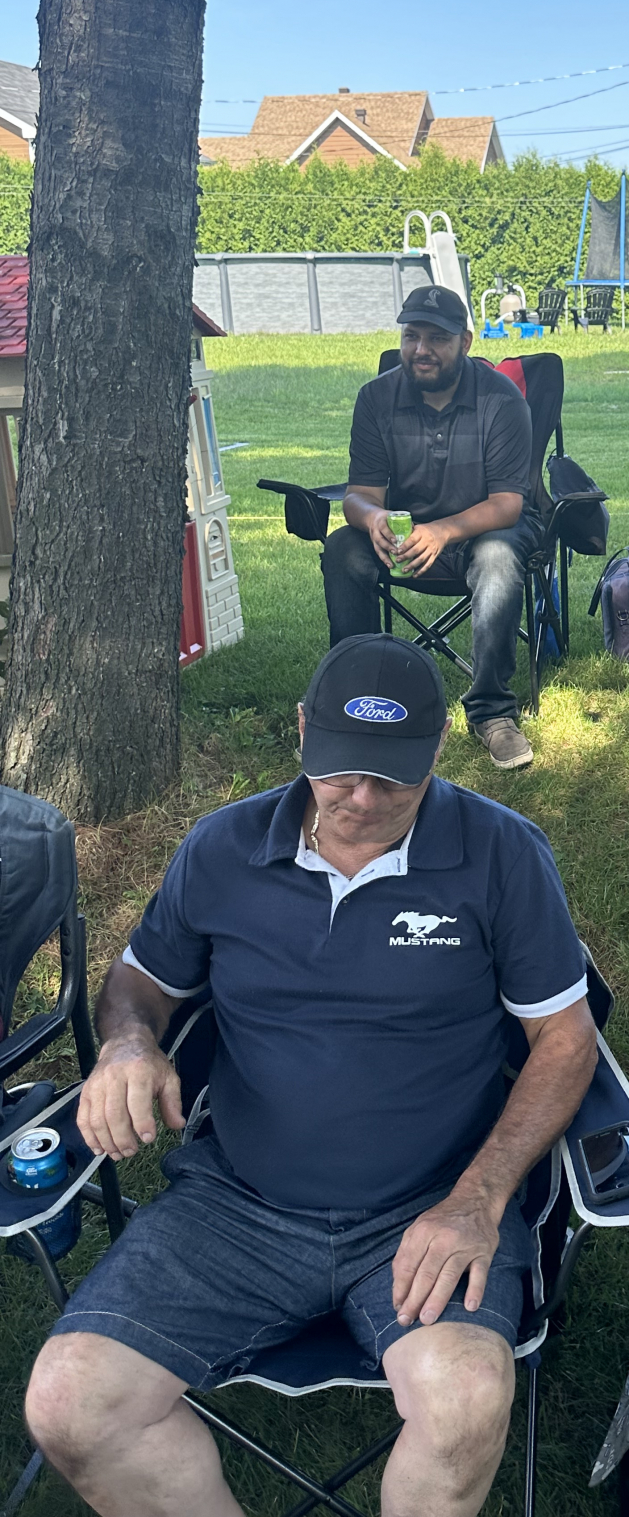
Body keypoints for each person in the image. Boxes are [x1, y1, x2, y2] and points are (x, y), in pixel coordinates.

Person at [24, 634, 597, 1517]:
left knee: (465, 1402)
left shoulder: (502, 855)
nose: (362, 799)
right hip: (237, 1206)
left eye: (393, 778)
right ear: (300, 732)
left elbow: (565, 1039)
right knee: (70, 1405)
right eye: (340, 770)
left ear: (440, 747)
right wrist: (129, 1043)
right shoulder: (222, 848)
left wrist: (479, 1200)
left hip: (430, 1205)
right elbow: (140, 981)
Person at [322, 282, 539, 770]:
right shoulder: (375, 398)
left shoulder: (502, 400)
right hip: (406, 538)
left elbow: (507, 505)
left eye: (437, 338)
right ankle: (356, 699)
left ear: (465, 342)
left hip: (485, 530)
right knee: (342, 549)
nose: (422, 349)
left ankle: (492, 712)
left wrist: (442, 531)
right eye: (412, 336)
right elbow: (358, 495)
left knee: (498, 556)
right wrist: (374, 518)